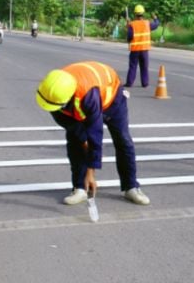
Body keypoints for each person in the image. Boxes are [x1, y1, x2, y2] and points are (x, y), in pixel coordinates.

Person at [36, 61, 150, 205]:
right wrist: (82, 139)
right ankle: (79, 188)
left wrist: (91, 172)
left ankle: (131, 186)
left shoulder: (89, 96)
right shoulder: (52, 92)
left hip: (112, 97)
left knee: (123, 139)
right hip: (82, 91)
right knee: (75, 140)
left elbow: (95, 136)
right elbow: (74, 129)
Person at [125, 4, 160, 87]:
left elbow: (129, 37)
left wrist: (128, 27)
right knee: (144, 67)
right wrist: (155, 18)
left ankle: (129, 83)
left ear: (135, 14)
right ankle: (145, 83)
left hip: (135, 50)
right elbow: (156, 24)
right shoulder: (147, 23)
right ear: (143, 13)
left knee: (133, 67)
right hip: (144, 50)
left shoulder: (132, 24)